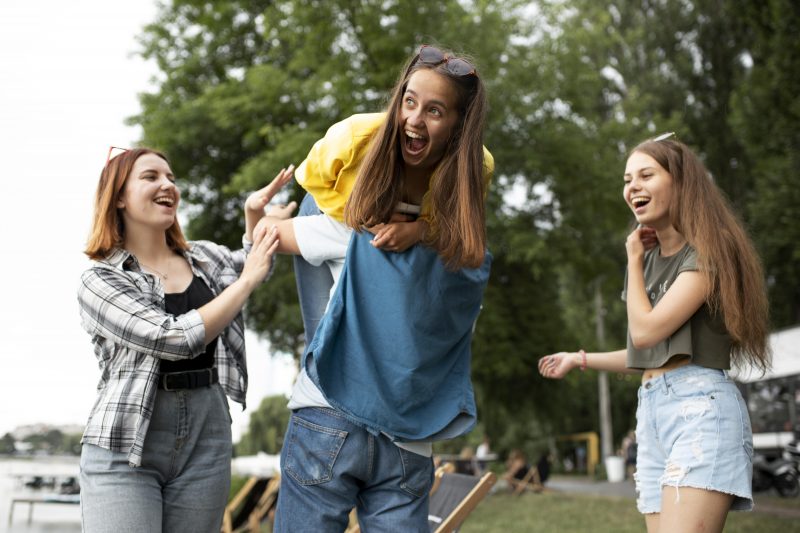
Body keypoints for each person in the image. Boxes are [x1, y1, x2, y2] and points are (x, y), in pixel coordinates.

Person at [251, 44, 493, 532]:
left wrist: (258, 218)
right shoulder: (472, 259)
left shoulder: (347, 231)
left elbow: (267, 240)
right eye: (410, 101)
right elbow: (457, 234)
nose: (415, 119)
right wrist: (425, 230)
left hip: (329, 414)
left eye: (434, 110)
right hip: (410, 436)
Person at [538, 133, 770, 533]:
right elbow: (646, 356)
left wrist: (631, 259)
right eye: (627, 180)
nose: (632, 188)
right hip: (651, 415)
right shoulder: (650, 265)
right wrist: (579, 359)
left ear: (680, 183)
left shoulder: (706, 254)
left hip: (700, 409)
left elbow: (644, 334)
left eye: (646, 175)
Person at [77, 147, 291, 533]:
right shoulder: (101, 280)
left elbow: (253, 262)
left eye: (171, 178)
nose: (167, 185)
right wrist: (247, 279)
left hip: (207, 432)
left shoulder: (206, 258)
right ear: (119, 196)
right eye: (151, 177)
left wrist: (253, 218)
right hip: (126, 441)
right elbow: (171, 337)